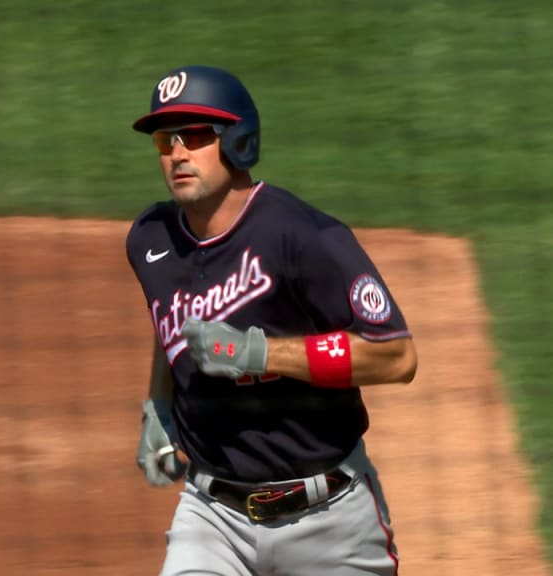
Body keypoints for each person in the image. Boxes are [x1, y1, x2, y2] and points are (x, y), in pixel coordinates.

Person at [126, 64, 418, 576]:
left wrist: (263, 353)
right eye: (165, 140)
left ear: (238, 141)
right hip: (212, 518)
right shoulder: (150, 239)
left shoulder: (303, 236)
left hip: (332, 518)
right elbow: (170, 316)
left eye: (196, 135)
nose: (177, 153)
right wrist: (160, 405)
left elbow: (395, 354)